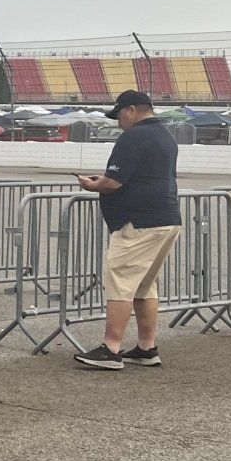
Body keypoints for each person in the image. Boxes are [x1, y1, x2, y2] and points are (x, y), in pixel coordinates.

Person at [73, 89, 181, 369]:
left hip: (138, 222)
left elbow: (114, 181)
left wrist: (93, 184)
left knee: (120, 282)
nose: (119, 121)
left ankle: (111, 349)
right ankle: (147, 347)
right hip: (165, 217)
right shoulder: (165, 136)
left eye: (120, 114)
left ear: (132, 110)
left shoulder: (134, 136)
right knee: (144, 287)